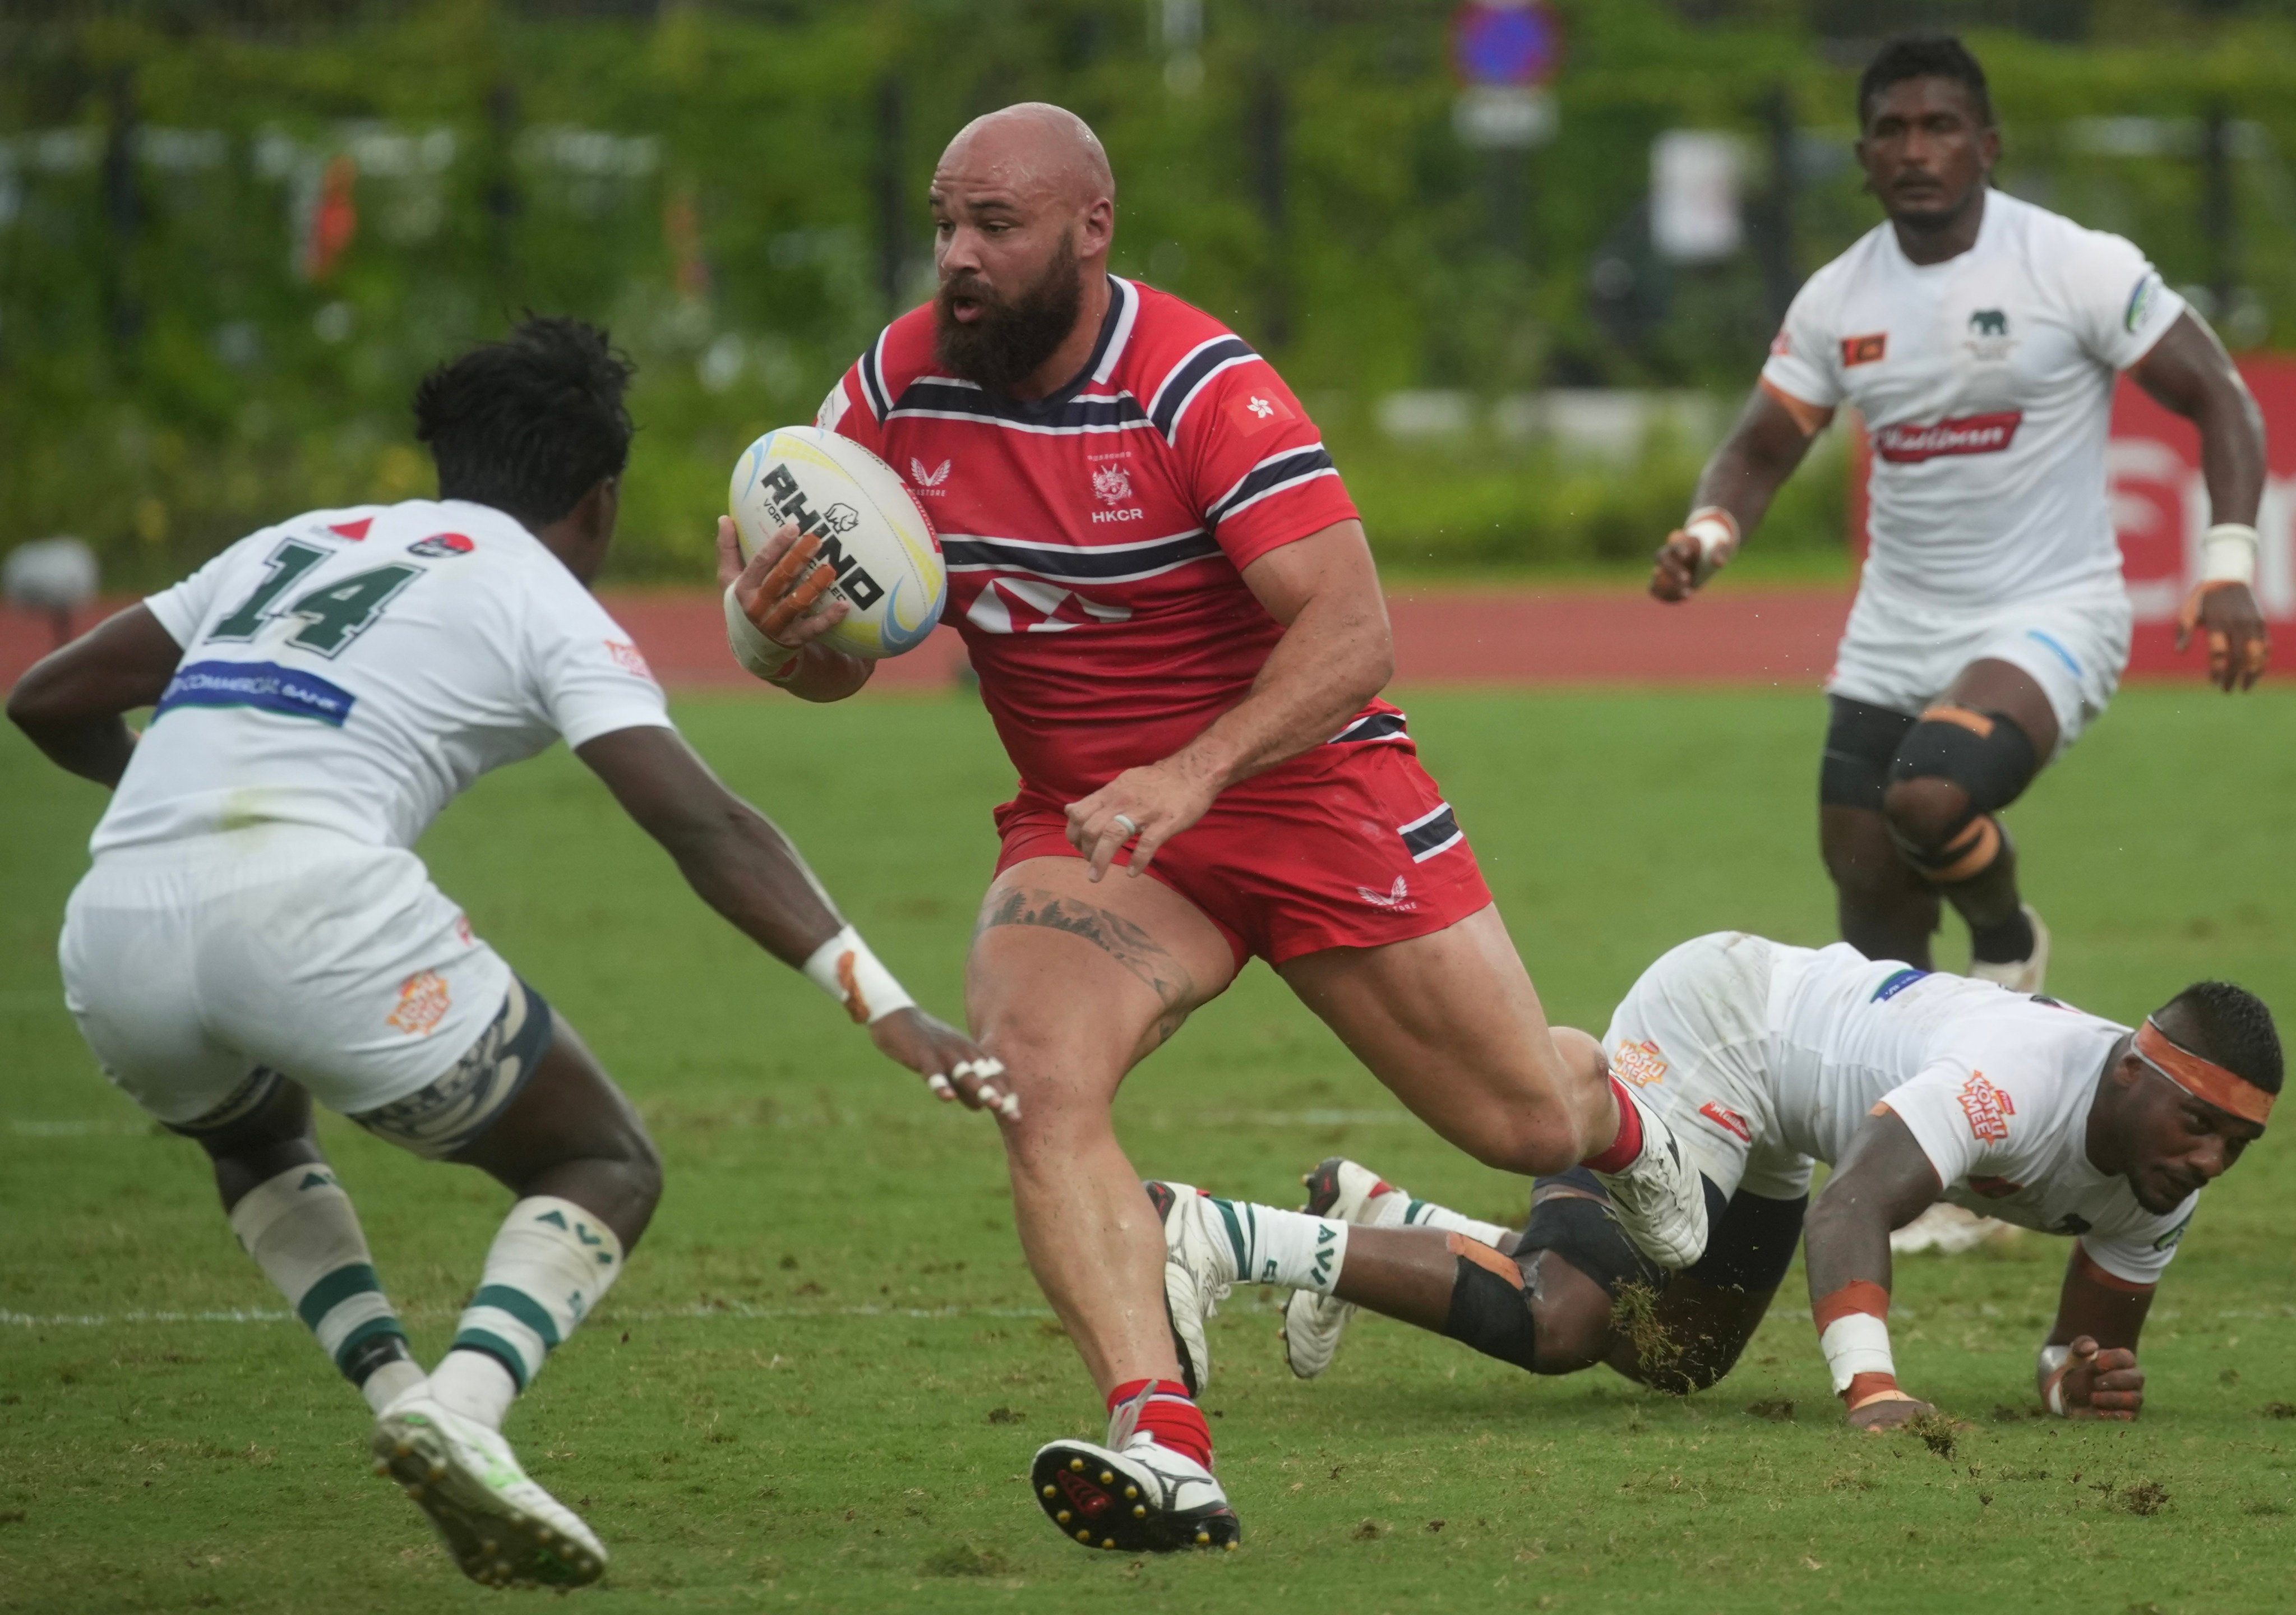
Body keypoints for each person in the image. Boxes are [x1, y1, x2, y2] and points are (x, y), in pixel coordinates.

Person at [715, 103, 1707, 1552]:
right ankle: (1161, 1435)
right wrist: (770, 630)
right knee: (1033, 1078)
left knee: (1514, 1118)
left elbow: (1355, 631)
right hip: (1095, 832)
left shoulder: (1198, 386)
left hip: (1303, 791)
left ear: (1090, 230)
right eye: (944, 224)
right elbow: (838, 670)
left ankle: (1619, 1122)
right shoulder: (890, 394)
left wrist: (1192, 772)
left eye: (995, 226)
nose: (957, 258)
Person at [6, 317, 1001, 1589]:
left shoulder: (291, 543)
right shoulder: (539, 591)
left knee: (253, 1133)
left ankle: (398, 1391)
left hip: (112, 932)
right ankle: (462, 1409)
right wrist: (887, 1008)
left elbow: (48, 699)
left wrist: (172, 814)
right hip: (310, 909)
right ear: (598, 503)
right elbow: (701, 823)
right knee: (602, 1161)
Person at [1650, 35, 2271, 990]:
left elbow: (2220, 397)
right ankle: (1923, 1092)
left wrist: (2227, 563)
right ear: (1863, 160)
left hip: (2050, 613)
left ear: (1987, 144)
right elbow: (1761, 447)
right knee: (1869, 912)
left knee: (1930, 797)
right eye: (1890, 131)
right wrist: (1711, 529)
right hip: (1894, 630)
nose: (1914, 149)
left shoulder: (2074, 266)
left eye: (1939, 126)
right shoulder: (1838, 298)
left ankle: (2008, 939)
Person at [1153, 932, 2276, 1428]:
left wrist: (2063, 1386)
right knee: (1563, 1318)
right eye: (2194, 1122)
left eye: (2234, 1144)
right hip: (1725, 1027)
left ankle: (1384, 1216)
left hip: (1780, 1111)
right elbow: (1855, 1205)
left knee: (1672, 1350)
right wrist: (1870, 1390)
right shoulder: (2015, 1080)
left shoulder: (2157, 1184)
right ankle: (1219, 1231)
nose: (2205, 1160)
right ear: (2130, 1070)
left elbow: (2070, 1350)